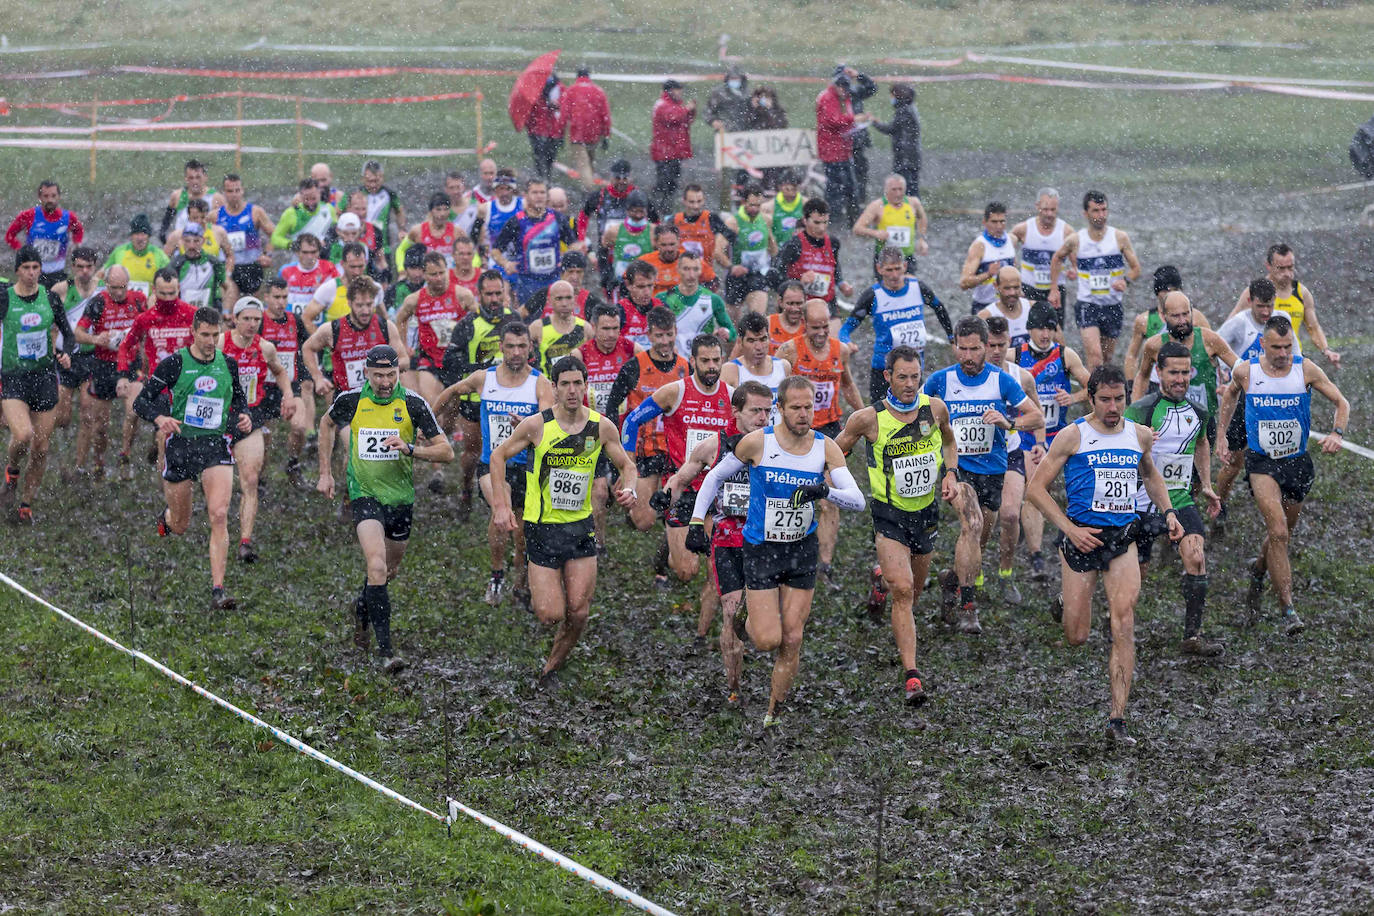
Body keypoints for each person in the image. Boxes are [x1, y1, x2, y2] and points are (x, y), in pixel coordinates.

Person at [688, 375, 866, 728]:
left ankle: (772, 712)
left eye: (808, 407)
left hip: (801, 550)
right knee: (767, 639)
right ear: (780, 410)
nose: (803, 414)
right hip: (761, 549)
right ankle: (745, 616)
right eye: (795, 408)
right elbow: (713, 477)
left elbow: (858, 501)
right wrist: (696, 521)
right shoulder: (757, 444)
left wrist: (824, 492)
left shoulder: (825, 447)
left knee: (794, 636)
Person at [1025, 364, 1183, 746]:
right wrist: (1070, 530)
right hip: (1081, 540)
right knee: (1077, 636)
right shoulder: (1072, 436)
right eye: (1106, 400)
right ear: (1091, 399)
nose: (1114, 407)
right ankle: (1065, 602)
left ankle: (1117, 719)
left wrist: (1169, 512)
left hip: (1122, 539)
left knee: (1123, 622)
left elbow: (1150, 475)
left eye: (1119, 399)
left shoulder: (1139, 435)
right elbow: (1036, 490)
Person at [489, 355, 639, 687]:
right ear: (554, 388)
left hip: (580, 528)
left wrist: (630, 489)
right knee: (550, 614)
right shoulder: (537, 425)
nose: (572, 391)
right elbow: (498, 455)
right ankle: (543, 584)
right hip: (541, 528)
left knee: (580, 612)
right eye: (565, 384)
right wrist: (501, 506)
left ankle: (551, 667)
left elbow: (628, 465)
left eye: (578, 384)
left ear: (585, 386)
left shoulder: (600, 427)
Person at [836, 345, 961, 705]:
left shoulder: (934, 409)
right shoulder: (867, 419)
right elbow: (834, 451)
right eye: (902, 376)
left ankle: (880, 582)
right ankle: (912, 676)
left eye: (914, 376)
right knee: (904, 591)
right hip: (888, 515)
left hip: (925, 513)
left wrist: (950, 473)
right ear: (887, 376)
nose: (909, 384)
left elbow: (950, 442)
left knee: (912, 593)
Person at [318, 345, 453, 668]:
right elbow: (326, 424)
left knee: (386, 572)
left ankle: (363, 608)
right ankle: (386, 651)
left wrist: (410, 449)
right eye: (378, 375)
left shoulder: (413, 404)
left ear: (398, 373)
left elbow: (447, 452)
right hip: (364, 495)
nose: (384, 381)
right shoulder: (350, 400)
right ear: (366, 373)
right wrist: (325, 472)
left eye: (390, 375)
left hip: (401, 499)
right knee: (376, 566)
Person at [1215, 315, 1348, 634]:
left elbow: (1341, 402)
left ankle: (1259, 572)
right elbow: (1231, 394)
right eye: (1276, 347)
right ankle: (1289, 610)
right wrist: (1222, 435)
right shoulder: (1248, 371)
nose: (1283, 353)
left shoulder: (1306, 369)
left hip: (1297, 463)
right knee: (1277, 531)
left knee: (1282, 532)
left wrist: (1337, 433)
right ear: (1263, 344)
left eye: (1288, 346)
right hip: (1262, 463)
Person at [924, 316, 1044, 633]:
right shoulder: (939, 381)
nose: (968, 356)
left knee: (978, 537)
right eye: (961, 349)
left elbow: (1036, 416)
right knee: (972, 524)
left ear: (986, 346)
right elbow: (918, 416)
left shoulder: (1000, 380)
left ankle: (952, 580)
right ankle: (968, 608)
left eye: (974, 349)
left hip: (993, 469)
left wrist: (1008, 423)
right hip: (957, 469)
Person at [661, 380, 773, 701]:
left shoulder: (776, 446)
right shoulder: (715, 445)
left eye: (768, 411)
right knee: (731, 614)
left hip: (766, 543)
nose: (763, 418)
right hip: (726, 541)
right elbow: (682, 478)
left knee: (759, 623)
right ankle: (734, 689)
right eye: (755, 411)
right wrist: (664, 497)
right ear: (736, 411)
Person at [136, 307, 252, 609]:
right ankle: (167, 519)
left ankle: (218, 590)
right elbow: (141, 401)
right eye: (205, 335)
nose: (211, 341)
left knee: (219, 514)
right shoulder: (175, 363)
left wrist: (245, 417)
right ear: (193, 332)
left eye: (215, 335)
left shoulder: (228, 364)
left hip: (215, 445)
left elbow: (239, 399)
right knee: (181, 524)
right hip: (182, 446)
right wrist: (161, 418)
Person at [436, 322, 552, 607]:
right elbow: (450, 392)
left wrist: (528, 427)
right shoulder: (483, 378)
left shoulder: (540, 383)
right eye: (510, 346)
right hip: (492, 464)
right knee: (502, 513)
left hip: (527, 467)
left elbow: (550, 427)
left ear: (530, 348)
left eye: (521, 346)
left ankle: (520, 581)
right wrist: (426, 422)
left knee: (523, 533)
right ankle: (497, 575)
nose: (515, 352)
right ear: (500, 347)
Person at [1125, 341, 1223, 656]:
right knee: (1133, 580)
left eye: (1185, 373)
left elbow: (1202, 443)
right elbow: (1116, 446)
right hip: (1138, 505)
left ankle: (1192, 636)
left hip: (1178, 501)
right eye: (1173, 373)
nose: (1180, 379)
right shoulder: (1143, 409)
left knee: (1196, 557)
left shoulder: (1199, 411)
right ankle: (1079, 601)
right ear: (1159, 372)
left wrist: (1206, 483)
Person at [621, 334, 736, 588]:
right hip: (682, 487)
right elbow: (631, 421)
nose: (712, 367)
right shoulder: (676, 392)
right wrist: (627, 463)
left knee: (715, 564)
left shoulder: (733, 397)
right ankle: (668, 551)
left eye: (716, 360)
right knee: (686, 571)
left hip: (720, 489)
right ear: (692, 361)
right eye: (705, 361)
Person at [775, 300, 865, 584]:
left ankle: (824, 565)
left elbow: (848, 384)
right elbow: (774, 388)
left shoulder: (840, 350)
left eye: (825, 326)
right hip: (797, 431)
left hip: (830, 430)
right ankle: (785, 549)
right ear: (804, 323)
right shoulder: (789, 350)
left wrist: (864, 416)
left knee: (829, 497)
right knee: (790, 492)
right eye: (815, 327)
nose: (821, 333)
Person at [1011, 303, 1090, 579]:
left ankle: (1063, 534)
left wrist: (1074, 397)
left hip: (1060, 436)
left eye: (1050, 328)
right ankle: (1035, 555)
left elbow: (1093, 386)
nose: (1045, 334)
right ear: (1029, 329)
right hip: (1027, 437)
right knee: (1034, 491)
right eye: (1039, 328)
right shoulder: (1015, 355)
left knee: (1071, 490)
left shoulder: (1066, 355)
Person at [0, 247, 77, 522]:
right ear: (17, 271)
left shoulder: (51, 298)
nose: (32, 274)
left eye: (36, 268)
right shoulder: (5, 298)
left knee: (41, 447)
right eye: (26, 268)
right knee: (22, 435)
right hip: (13, 377)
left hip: (44, 377)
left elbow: (68, 335)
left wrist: (66, 353)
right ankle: (12, 469)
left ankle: (25, 504)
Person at [220, 297, 297, 562]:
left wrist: (288, 395)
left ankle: (244, 542)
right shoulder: (219, 344)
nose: (252, 324)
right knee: (216, 484)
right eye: (247, 319)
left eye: (256, 319)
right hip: (219, 417)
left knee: (250, 480)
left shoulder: (265, 348)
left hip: (251, 416)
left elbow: (281, 372)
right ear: (235, 319)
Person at [442, 270, 519, 516]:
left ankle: (505, 497)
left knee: (509, 450)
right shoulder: (468, 324)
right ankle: (466, 488)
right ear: (480, 294)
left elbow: (530, 353)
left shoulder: (514, 319)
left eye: (499, 293)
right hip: (476, 400)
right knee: (474, 452)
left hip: (510, 397)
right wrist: (478, 370)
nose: (495, 299)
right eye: (489, 294)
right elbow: (450, 360)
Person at [604, 306, 686, 535]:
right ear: (649, 335)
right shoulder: (634, 366)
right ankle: (650, 513)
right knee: (643, 521)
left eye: (669, 334)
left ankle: (669, 541)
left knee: (679, 516)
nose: (665, 341)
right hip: (644, 452)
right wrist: (619, 460)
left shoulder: (685, 368)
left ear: (676, 332)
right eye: (659, 335)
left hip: (675, 451)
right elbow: (612, 407)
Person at [981, 315, 1045, 605]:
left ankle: (1006, 574)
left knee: (1009, 515)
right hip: (978, 457)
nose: (995, 351)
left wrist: (1039, 442)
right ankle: (975, 570)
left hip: (1011, 454)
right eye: (991, 345)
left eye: (1001, 345)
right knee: (981, 522)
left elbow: (1037, 413)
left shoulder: (1022, 377)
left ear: (1010, 343)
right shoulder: (971, 377)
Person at [841, 247, 952, 402]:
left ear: (905, 266)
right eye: (889, 270)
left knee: (914, 417)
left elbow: (940, 309)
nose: (894, 275)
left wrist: (952, 338)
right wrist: (847, 342)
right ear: (879, 269)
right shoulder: (873, 296)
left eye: (897, 269)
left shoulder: (918, 288)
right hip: (884, 370)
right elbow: (845, 329)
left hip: (913, 369)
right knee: (880, 420)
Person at [116, 267, 198, 472]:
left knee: (185, 441)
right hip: (159, 387)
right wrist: (123, 374)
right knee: (165, 439)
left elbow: (211, 343)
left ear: (179, 289)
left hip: (188, 387)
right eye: (163, 294)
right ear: (154, 290)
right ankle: (167, 492)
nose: (168, 299)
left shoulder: (192, 314)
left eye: (172, 293)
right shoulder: (145, 319)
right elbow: (125, 345)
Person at [1050, 190, 1142, 369]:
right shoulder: (1076, 240)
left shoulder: (1119, 238)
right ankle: (1092, 394)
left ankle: (1099, 390)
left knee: (1106, 358)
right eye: (1096, 211)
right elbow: (1057, 258)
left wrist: (1126, 281)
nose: (1101, 216)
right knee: (1095, 355)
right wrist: (1054, 288)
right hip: (1087, 304)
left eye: (1104, 210)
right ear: (1086, 213)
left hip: (1112, 305)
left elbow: (1136, 269)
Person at [1212, 278, 1275, 534]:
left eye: (1270, 306)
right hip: (1238, 402)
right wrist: (1222, 378)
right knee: (1233, 462)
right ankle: (1221, 501)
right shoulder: (1239, 324)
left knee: (1271, 453)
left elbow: (1294, 355)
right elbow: (1211, 347)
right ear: (1250, 301)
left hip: (1268, 400)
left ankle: (1266, 493)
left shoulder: (1279, 322)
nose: (1266, 312)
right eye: (1261, 306)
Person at [73, 266, 146, 477]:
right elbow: (78, 333)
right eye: (114, 288)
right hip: (104, 367)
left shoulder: (139, 299)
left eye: (123, 287)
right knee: (100, 426)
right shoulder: (98, 302)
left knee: (134, 412)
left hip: (131, 364)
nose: (119, 293)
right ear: (107, 285)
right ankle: (99, 461)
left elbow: (150, 324)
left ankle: (125, 455)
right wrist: (95, 339)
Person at [578, 304, 639, 550]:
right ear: (593, 327)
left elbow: (655, 363)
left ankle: (631, 512)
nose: (611, 334)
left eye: (615, 328)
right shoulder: (580, 355)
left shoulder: (632, 349)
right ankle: (598, 543)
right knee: (600, 492)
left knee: (626, 483)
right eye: (605, 328)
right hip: (594, 432)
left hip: (625, 431)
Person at [1226, 243, 1340, 368]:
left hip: (1290, 359)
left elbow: (1313, 327)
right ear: (1268, 266)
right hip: (1260, 362)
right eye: (1281, 268)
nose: (1287, 273)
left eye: (1290, 268)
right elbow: (1230, 327)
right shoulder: (1254, 293)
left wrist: (1326, 350)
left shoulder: (1302, 293)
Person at [1131, 292, 1238, 422]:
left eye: (1186, 314)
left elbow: (1240, 367)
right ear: (1164, 318)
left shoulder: (1209, 339)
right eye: (1176, 316)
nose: (1182, 321)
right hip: (1170, 419)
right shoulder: (1154, 345)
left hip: (1206, 419)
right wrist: (1134, 412)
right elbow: (1143, 376)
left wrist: (1231, 387)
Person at [304, 277, 407, 404]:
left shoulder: (386, 327)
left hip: (381, 396)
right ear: (349, 303)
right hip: (347, 397)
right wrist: (318, 378)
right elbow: (307, 348)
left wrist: (380, 369)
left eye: (369, 304)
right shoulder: (332, 329)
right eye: (359, 305)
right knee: (329, 423)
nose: (365, 311)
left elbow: (404, 360)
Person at [257, 278, 312, 487]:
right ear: (267, 297)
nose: (281, 302)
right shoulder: (259, 321)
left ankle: (293, 464)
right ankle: (260, 480)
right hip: (264, 387)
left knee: (299, 427)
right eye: (277, 297)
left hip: (290, 384)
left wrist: (308, 375)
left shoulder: (294, 320)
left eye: (284, 297)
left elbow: (305, 348)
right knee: (265, 438)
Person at [493, 179, 582, 307]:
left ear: (547, 196)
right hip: (527, 282)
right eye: (535, 192)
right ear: (526, 196)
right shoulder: (516, 221)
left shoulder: (557, 218)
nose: (539, 196)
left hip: (554, 280)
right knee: (529, 322)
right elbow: (495, 250)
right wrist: (505, 263)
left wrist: (567, 258)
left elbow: (573, 244)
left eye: (542, 192)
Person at [1121, 265, 1208, 393]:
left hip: (1189, 379)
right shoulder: (1144, 320)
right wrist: (1130, 384)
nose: (1171, 294)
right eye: (1166, 290)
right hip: (1156, 384)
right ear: (1157, 292)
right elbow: (1132, 355)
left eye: (1175, 290)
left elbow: (1211, 348)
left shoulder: (1196, 317)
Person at [769, 199, 854, 319]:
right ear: (805, 220)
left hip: (827, 303)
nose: (822, 228)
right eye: (817, 223)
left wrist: (841, 283)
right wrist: (798, 282)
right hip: (799, 307)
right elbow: (774, 276)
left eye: (825, 222)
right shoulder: (794, 245)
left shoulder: (833, 243)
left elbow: (834, 266)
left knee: (834, 336)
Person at [50, 246, 100, 449]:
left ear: (95, 267)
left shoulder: (103, 288)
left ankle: (79, 465)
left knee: (88, 413)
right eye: (80, 267)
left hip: (92, 355)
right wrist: (53, 351)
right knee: (63, 416)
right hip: (66, 355)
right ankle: (58, 448)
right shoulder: (61, 289)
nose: (85, 271)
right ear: (73, 267)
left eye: (89, 267)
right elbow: (51, 325)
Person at [656, 250, 735, 359]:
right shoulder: (663, 298)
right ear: (678, 269)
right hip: (673, 361)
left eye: (695, 269)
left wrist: (726, 333)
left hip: (702, 361)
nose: (691, 275)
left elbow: (732, 332)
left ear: (701, 270)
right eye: (686, 269)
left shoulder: (713, 299)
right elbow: (650, 331)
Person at [6, 180, 84, 288]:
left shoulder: (69, 217)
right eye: (46, 196)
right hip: (34, 273)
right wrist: (22, 251)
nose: (50, 200)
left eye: (53, 196)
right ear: (40, 197)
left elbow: (79, 231)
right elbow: (10, 235)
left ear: (59, 196)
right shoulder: (29, 215)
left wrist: (76, 245)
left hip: (58, 273)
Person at [1010, 188, 1073, 323]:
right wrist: (1013, 272)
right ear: (1037, 206)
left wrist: (1074, 271)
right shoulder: (1023, 228)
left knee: (1055, 332)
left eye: (1053, 210)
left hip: (1055, 290)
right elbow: (1007, 250)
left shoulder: (1066, 231)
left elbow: (1077, 262)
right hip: (1029, 289)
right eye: (1045, 209)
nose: (1049, 214)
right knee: (1027, 329)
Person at [815, 70, 868, 224]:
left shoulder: (840, 97)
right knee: (835, 187)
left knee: (848, 185)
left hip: (842, 149)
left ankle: (851, 216)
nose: (845, 92)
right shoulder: (827, 98)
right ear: (837, 86)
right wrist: (854, 119)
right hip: (832, 151)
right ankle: (835, 218)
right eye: (843, 88)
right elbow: (833, 120)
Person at [852, 173, 929, 275]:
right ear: (886, 190)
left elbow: (922, 218)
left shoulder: (913, 203)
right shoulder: (877, 206)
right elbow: (857, 228)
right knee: (886, 289)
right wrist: (875, 233)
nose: (898, 193)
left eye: (900, 189)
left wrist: (921, 239)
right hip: (885, 259)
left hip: (907, 258)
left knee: (910, 288)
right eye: (894, 189)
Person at [216, 173, 275, 304]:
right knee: (229, 307)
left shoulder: (255, 212)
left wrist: (268, 254)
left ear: (242, 191)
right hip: (228, 267)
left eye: (237, 190)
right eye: (230, 191)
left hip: (251, 267)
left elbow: (275, 234)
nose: (234, 194)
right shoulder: (215, 216)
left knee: (252, 307)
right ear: (224, 193)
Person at [722, 311, 789, 417]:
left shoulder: (783, 367)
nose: (759, 347)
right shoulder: (730, 371)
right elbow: (724, 413)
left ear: (769, 338)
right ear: (740, 342)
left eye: (763, 339)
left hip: (775, 433)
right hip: (744, 433)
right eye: (752, 340)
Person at [725, 184, 777, 316]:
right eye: (752, 205)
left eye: (758, 206)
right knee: (734, 329)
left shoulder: (766, 220)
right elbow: (717, 252)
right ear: (743, 202)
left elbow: (773, 248)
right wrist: (731, 267)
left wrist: (773, 259)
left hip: (757, 275)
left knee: (757, 319)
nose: (755, 209)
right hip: (736, 276)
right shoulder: (732, 222)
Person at [667, 184, 732, 290]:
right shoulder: (674, 220)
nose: (696, 206)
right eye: (691, 202)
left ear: (704, 200)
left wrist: (722, 252)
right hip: (679, 278)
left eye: (699, 201)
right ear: (684, 201)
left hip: (705, 277)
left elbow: (732, 238)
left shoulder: (712, 218)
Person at [303, 243, 380, 329]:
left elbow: (384, 319)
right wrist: (323, 340)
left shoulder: (375, 288)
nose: (357, 272)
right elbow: (306, 318)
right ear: (342, 264)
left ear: (365, 263)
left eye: (360, 266)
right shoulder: (329, 288)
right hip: (338, 341)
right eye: (352, 267)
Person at [959, 202, 1017, 314]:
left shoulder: (1011, 240)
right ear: (984, 222)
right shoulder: (979, 246)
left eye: (1002, 221)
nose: (999, 226)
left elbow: (1015, 272)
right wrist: (988, 275)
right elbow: (964, 283)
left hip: (1008, 305)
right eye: (994, 222)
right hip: (984, 306)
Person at [650, 79, 697, 214]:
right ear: (669, 91)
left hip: (673, 151)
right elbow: (672, 117)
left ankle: (665, 205)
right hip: (664, 151)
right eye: (678, 89)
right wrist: (687, 109)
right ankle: (659, 205)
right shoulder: (662, 105)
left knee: (672, 180)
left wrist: (691, 111)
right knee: (665, 181)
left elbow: (686, 120)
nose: (680, 92)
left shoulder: (675, 105)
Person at [562, 67, 612, 191]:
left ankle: (589, 190)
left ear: (577, 76)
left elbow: (564, 114)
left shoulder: (570, 91)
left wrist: (560, 132)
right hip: (594, 133)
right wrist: (606, 135)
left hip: (577, 133)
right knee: (590, 160)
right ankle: (592, 184)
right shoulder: (598, 91)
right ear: (589, 76)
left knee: (583, 164)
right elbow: (605, 115)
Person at [528, 281, 591, 375]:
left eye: (568, 298)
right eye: (559, 298)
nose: (564, 303)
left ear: (575, 299)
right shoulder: (537, 327)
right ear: (549, 300)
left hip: (577, 386)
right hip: (548, 386)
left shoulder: (585, 328)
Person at [598, 189, 656, 289]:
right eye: (634, 211)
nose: (638, 215)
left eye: (641, 211)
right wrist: (606, 275)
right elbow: (602, 254)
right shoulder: (614, 230)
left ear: (647, 211)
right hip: (621, 284)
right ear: (627, 210)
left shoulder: (654, 231)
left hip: (646, 285)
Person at [103, 214, 170, 299]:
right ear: (131, 236)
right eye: (137, 234)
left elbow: (170, 281)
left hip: (149, 305)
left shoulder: (159, 255)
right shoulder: (119, 252)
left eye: (143, 234)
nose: (140, 238)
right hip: (122, 303)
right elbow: (103, 276)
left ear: (149, 236)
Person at [871, 83, 921, 197]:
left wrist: (874, 122)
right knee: (912, 187)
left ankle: (909, 212)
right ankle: (915, 211)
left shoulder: (903, 110)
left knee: (905, 189)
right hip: (912, 156)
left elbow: (891, 129)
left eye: (892, 96)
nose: (891, 99)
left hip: (905, 157)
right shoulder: (910, 108)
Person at [167, 222, 225, 311]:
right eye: (187, 241)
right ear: (182, 241)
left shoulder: (214, 263)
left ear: (203, 241)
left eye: (196, 241)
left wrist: (224, 310)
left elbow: (225, 286)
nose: (191, 246)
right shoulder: (175, 264)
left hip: (208, 314)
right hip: (183, 315)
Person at [279, 232, 338, 317]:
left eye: (313, 252)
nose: (310, 256)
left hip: (320, 320)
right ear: (297, 252)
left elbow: (340, 294)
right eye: (305, 252)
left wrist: (324, 290)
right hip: (292, 320)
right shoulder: (285, 270)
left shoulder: (329, 268)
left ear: (319, 252)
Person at [271, 178, 338, 251]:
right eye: (306, 199)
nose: (310, 203)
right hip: (299, 259)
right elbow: (275, 238)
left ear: (319, 193)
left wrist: (327, 241)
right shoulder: (291, 213)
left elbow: (337, 232)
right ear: (300, 196)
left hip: (325, 259)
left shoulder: (329, 209)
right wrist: (292, 245)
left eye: (313, 198)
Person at [159, 159, 216, 242]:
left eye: (198, 177)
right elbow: (166, 221)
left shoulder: (215, 197)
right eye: (191, 178)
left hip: (207, 244)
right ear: (186, 179)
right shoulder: (177, 196)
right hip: (182, 245)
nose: (195, 181)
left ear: (205, 177)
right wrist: (163, 235)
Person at [977, 266, 1032, 348]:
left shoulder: (1033, 308)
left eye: (1016, 287)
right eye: (1007, 288)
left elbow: (1056, 344)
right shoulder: (985, 316)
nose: (1012, 293)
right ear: (996, 286)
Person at [523, 75, 564, 181]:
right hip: (541, 130)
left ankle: (546, 174)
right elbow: (529, 112)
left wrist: (556, 106)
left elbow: (565, 106)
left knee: (548, 154)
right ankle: (541, 175)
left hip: (549, 130)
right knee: (540, 153)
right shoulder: (534, 92)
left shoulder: (559, 89)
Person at [614, 259, 659, 349]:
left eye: (650, 286)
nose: (647, 292)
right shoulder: (619, 310)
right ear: (628, 285)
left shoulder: (661, 307)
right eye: (641, 287)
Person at [636, 224, 688, 298]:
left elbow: (709, 280)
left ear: (679, 241)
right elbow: (628, 284)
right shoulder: (644, 262)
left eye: (672, 244)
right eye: (664, 245)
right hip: (654, 307)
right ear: (656, 243)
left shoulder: (689, 260)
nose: (669, 249)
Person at [761, 171, 806, 249]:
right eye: (787, 189)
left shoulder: (805, 204)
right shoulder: (768, 207)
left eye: (794, 189)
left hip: (801, 249)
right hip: (778, 249)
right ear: (780, 187)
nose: (791, 193)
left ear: (798, 188)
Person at [768, 280, 807, 354]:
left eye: (799, 303)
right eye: (790, 303)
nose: (795, 309)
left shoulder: (810, 326)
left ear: (805, 301)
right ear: (780, 302)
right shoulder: (768, 323)